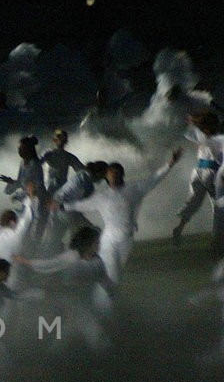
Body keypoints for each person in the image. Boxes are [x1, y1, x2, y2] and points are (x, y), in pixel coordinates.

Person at [66, 150, 182, 283]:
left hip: (126, 238)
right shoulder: (102, 197)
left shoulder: (135, 188)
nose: (114, 175)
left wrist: (170, 164)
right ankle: (92, 289)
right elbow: (80, 205)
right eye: (111, 173)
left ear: (122, 175)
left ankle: (89, 280)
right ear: (107, 177)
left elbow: (155, 178)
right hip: (108, 239)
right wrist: (60, 206)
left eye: (117, 173)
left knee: (115, 274)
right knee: (111, 272)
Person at [172, 111, 224, 248]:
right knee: (218, 207)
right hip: (212, 173)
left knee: (193, 201)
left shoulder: (200, 135)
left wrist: (192, 120)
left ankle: (180, 227)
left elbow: (186, 127)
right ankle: (216, 240)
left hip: (197, 172)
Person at [41, 129, 84, 196]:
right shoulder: (48, 154)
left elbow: (82, 171)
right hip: (47, 190)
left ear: (65, 141)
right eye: (58, 138)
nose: (60, 141)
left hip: (60, 192)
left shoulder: (69, 157)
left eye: (62, 139)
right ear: (54, 140)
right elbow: (36, 164)